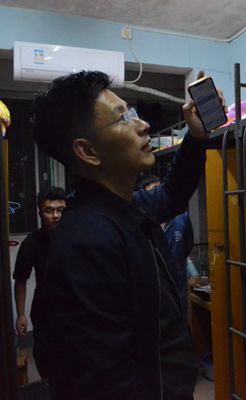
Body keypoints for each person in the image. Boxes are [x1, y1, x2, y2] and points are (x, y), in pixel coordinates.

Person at [31, 70, 223, 400]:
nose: (142, 124)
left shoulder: (122, 207)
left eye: (131, 112)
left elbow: (171, 196)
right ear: (88, 152)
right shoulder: (87, 243)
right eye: (123, 118)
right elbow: (107, 382)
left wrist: (195, 137)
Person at [13, 186, 66, 378]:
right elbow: (21, 279)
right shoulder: (32, 243)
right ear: (40, 213)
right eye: (49, 210)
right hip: (45, 312)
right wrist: (21, 314)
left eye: (60, 210)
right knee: (47, 361)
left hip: (74, 309)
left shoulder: (77, 238)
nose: (55, 215)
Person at [137, 174, 195, 314]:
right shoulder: (139, 222)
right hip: (152, 290)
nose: (159, 198)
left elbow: (187, 246)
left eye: (160, 191)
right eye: (153, 193)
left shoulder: (181, 218)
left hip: (178, 287)